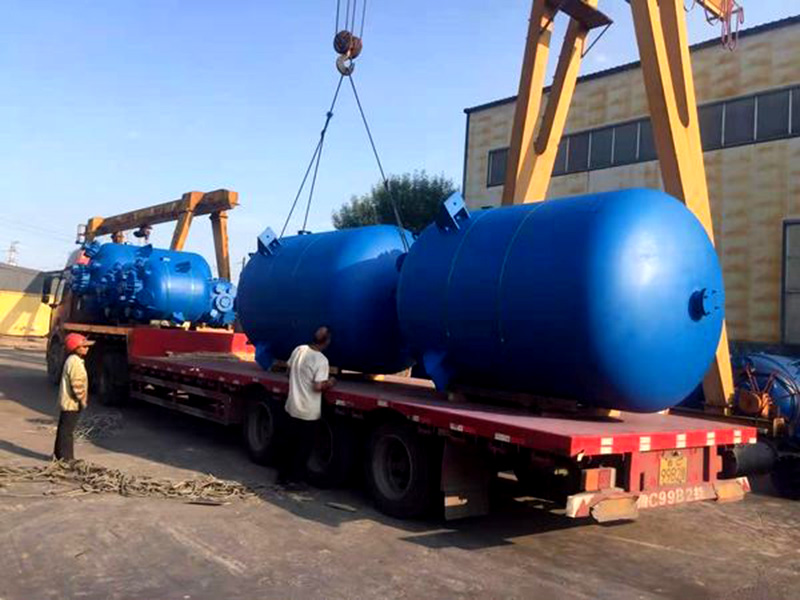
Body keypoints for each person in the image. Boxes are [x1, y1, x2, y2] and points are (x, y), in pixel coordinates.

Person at [277, 326, 336, 486]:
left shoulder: (299, 349)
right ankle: (295, 480)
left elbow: (288, 373)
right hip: (308, 412)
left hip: (292, 407)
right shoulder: (321, 360)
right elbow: (317, 386)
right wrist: (330, 382)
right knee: (303, 448)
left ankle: (282, 477)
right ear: (327, 342)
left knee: (289, 444)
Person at [54, 333, 94, 461]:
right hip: (72, 403)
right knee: (67, 432)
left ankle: (59, 454)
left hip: (68, 402)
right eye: (84, 346)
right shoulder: (75, 362)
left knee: (63, 429)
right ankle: (66, 458)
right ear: (75, 348)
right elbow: (77, 384)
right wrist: (82, 400)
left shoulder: (72, 360)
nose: (87, 348)